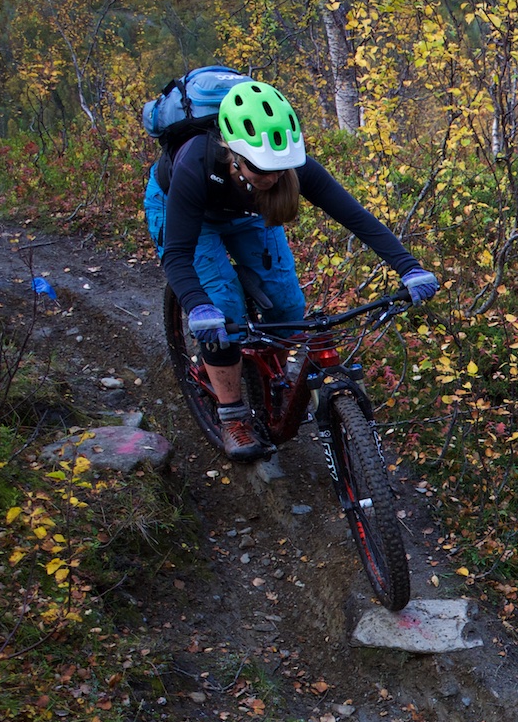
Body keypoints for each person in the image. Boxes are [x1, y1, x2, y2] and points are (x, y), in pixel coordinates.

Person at [144, 79, 437, 460]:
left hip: (246, 214)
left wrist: (409, 267)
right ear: (232, 153)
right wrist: (198, 305)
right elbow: (178, 255)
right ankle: (232, 414)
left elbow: (354, 216)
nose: (272, 178)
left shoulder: (288, 168)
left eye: (280, 169)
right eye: (259, 168)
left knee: (287, 306)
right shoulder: (195, 164)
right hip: (189, 216)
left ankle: (271, 382)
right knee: (224, 308)